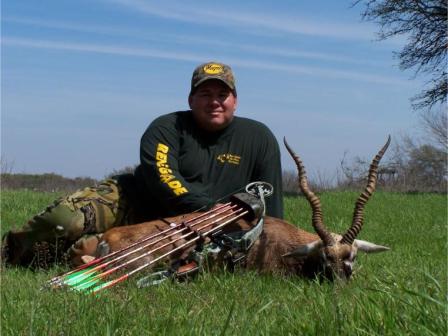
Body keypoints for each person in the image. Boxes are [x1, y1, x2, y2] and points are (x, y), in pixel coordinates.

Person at [2, 61, 284, 268]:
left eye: (222, 95)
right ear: (191, 99)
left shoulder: (260, 137)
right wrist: (209, 208)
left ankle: (66, 254)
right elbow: (164, 179)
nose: (214, 102)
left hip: (200, 229)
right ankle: (10, 251)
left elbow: (271, 205)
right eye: (205, 94)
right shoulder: (166, 127)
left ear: (235, 101)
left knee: (90, 251)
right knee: (64, 220)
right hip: (136, 201)